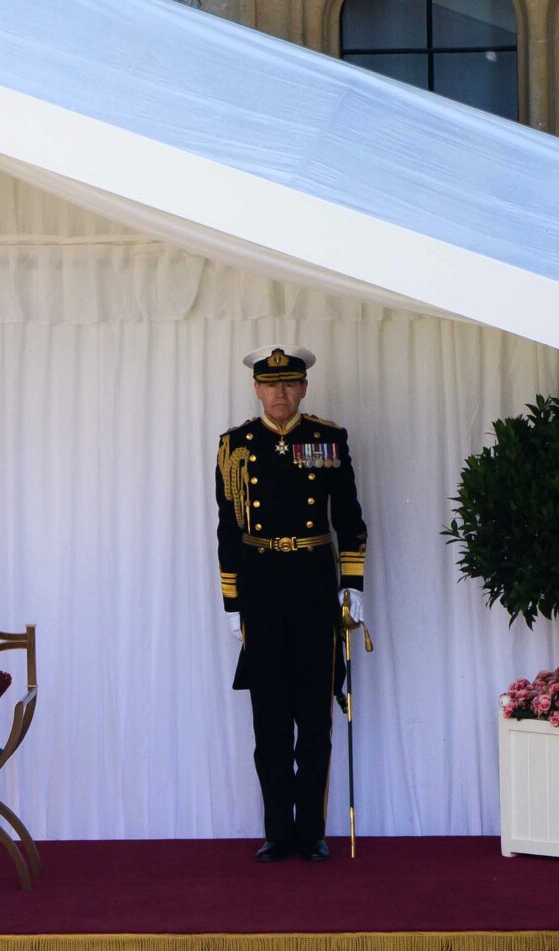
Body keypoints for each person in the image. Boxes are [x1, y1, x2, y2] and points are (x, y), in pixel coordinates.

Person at [214, 346, 366, 863]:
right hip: (259, 584)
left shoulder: (328, 439)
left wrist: (353, 585)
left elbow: (349, 517)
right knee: (269, 715)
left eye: (289, 384)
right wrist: (232, 602)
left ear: (304, 388)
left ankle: (312, 830)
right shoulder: (235, 446)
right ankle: (278, 830)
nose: (280, 393)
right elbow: (228, 530)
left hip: (312, 583)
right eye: (270, 384)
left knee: (313, 712)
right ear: (256, 389)